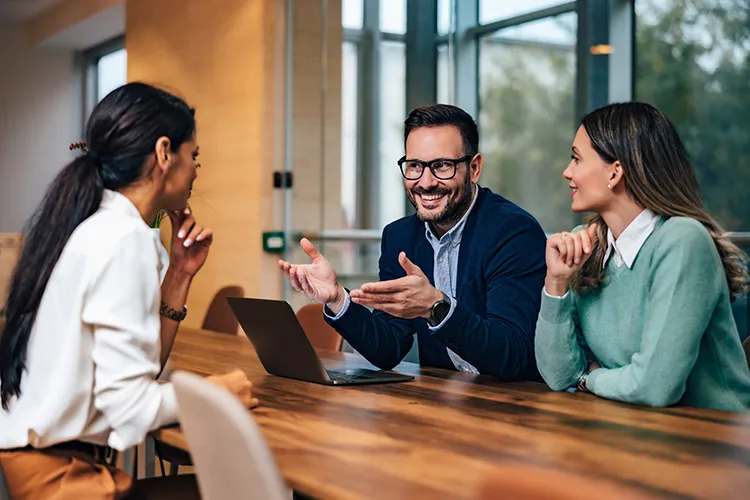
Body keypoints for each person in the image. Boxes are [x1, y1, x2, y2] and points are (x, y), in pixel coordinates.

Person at [0, 82, 258, 499]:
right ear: (163, 154)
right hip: (66, 480)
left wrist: (178, 276)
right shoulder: (124, 238)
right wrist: (216, 394)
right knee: (247, 490)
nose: (195, 169)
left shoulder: (94, 225)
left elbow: (139, 373)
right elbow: (131, 408)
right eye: (194, 156)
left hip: (45, 470)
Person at [280, 104, 546, 380]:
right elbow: (389, 348)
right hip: (447, 399)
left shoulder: (514, 232)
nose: (425, 182)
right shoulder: (400, 237)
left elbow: (512, 354)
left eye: (442, 165)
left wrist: (436, 307)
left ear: (474, 168)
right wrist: (337, 298)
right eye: (415, 166)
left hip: (516, 403)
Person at [535, 101, 750, 412]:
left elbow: (656, 386)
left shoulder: (682, 240)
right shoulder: (592, 251)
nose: (567, 171)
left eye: (576, 159)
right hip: (637, 429)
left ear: (615, 172)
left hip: (717, 439)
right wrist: (556, 282)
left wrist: (589, 380)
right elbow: (558, 376)